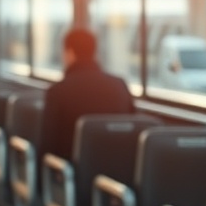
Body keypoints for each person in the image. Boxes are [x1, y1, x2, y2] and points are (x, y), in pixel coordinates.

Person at [39, 28, 136, 167]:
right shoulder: (120, 85)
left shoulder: (58, 91)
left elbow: (48, 145)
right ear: (94, 52)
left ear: (70, 53)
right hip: (118, 175)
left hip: (73, 178)